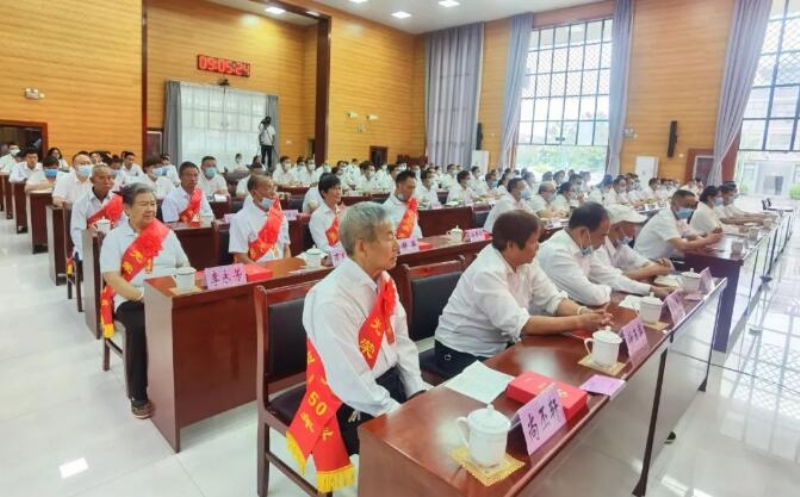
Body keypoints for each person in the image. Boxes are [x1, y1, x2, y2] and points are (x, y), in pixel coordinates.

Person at [286, 202, 427, 493]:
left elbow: (401, 341)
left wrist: (416, 391)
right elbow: (349, 380)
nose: (397, 244)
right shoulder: (330, 300)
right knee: (413, 461)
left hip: (388, 385)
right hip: (349, 401)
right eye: (389, 236)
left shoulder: (384, 280)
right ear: (362, 247)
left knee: (432, 436)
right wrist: (397, 412)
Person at [434, 210, 612, 378]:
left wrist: (585, 312)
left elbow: (552, 298)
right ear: (511, 245)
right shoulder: (487, 272)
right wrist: (580, 322)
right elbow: (523, 324)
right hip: (461, 350)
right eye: (534, 242)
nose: (538, 247)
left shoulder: (526, 262)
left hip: (501, 344)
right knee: (513, 389)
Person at [100, 183, 190, 418]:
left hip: (170, 294)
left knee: (195, 319)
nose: (150, 209)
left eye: (152, 203)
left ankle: (187, 382)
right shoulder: (115, 238)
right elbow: (111, 277)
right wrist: (142, 296)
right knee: (141, 329)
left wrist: (183, 282)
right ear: (127, 209)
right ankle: (138, 393)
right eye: (143, 204)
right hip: (132, 298)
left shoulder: (167, 234)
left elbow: (184, 263)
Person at [538, 203, 671, 305]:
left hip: (576, 310)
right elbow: (593, 296)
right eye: (602, 236)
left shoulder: (584, 245)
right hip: (548, 323)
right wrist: (608, 287)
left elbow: (610, 276)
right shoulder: (558, 253)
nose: (603, 243)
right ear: (583, 232)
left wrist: (650, 289)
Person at [635, 189, 723, 260]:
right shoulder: (665, 219)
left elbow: (693, 236)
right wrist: (707, 240)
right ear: (673, 203)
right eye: (686, 205)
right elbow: (681, 246)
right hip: (645, 261)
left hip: (661, 260)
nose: (690, 209)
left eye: (692, 206)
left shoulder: (678, 218)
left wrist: (711, 239)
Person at [598, 205, 673, 281]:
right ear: (617, 227)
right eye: (632, 226)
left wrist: (657, 265)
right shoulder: (599, 249)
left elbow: (638, 261)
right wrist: (652, 270)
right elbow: (613, 278)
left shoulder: (621, 246)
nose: (634, 230)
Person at [229, 175, 290, 263]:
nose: (273, 193)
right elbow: (240, 257)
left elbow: (286, 249)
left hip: (280, 268)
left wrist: (285, 268)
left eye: (274, 188)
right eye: (268, 189)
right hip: (254, 269)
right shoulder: (240, 219)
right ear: (254, 193)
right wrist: (263, 270)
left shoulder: (281, 217)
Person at [70, 165, 124, 265]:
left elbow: (124, 227)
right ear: (92, 180)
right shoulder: (80, 203)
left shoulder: (119, 201)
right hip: (90, 246)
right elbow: (77, 232)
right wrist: (89, 250)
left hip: (115, 245)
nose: (106, 181)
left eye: (109, 178)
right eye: (101, 178)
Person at [310, 173, 345, 254]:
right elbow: (323, 247)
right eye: (334, 189)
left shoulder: (343, 212)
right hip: (332, 257)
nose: (339, 192)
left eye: (339, 188)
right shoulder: (317, 216)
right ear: (323, 192)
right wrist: (345, 253)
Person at [383, 170, 422, 239]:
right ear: (398, 185)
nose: (412, 191)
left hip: (418, 242)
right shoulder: (386, 208)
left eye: (414, 188)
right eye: (409, 187)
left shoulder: (411, 203)